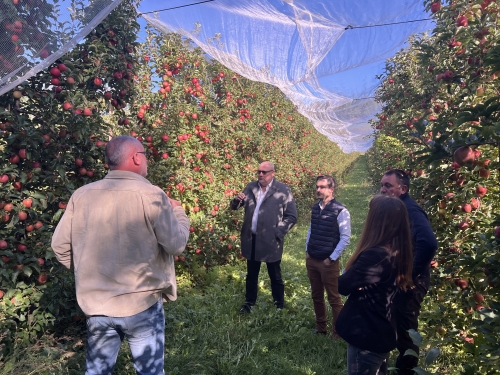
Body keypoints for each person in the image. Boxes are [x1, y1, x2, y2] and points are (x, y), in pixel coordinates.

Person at [51, 135, 190, 375]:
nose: (147, 161)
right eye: (145, 155)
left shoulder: (82, 195)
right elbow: (176, 245)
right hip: (141, 304)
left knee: (96, 372)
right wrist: (179, 212)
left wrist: (88, 272)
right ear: (136, 157)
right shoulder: (152, 195)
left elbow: (59, 247)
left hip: (97, 305)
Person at [335, 195, 414, 375]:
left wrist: (352, 275)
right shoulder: (396, 249)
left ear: (376, 221)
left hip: (366, 334)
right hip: (380, 329)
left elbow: (343, 285)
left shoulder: (375, 256)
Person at [380, 169, 438, 375]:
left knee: (406, 332)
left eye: (388, 185)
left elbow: (429, 243)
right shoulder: (397, 208)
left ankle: (408, 371)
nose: (383, 189)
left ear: (403, 189)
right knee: (394, 324)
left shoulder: (411, 211)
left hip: (410, 282)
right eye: (382, 185)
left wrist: (410, 274)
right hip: (398, 278)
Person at [230, 161, 297, 313]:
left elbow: (292, 216)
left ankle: (279, 305)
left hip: (271, 240)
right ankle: (249, 303)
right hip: (251, 238)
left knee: (275, 274)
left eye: (264, 172)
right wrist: (236, 201)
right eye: (259, 171)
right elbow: (235, 207)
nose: (260, 174)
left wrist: (278, 232)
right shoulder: (251, 187)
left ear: (272, 173)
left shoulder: (283, 190)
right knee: (251, 274)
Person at [305, 175, 351, 337]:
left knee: (334, 298)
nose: (318, 190)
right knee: (316, 295)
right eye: (317, 186)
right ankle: (320, 328)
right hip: (312, 258)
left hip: (327, 262)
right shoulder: (315, 207)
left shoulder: (341, 211)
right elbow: (311, 229)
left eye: (322, 187)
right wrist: (307, 251)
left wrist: (331, 258)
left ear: (331, 189)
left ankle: (337, 332)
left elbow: (346, 237)